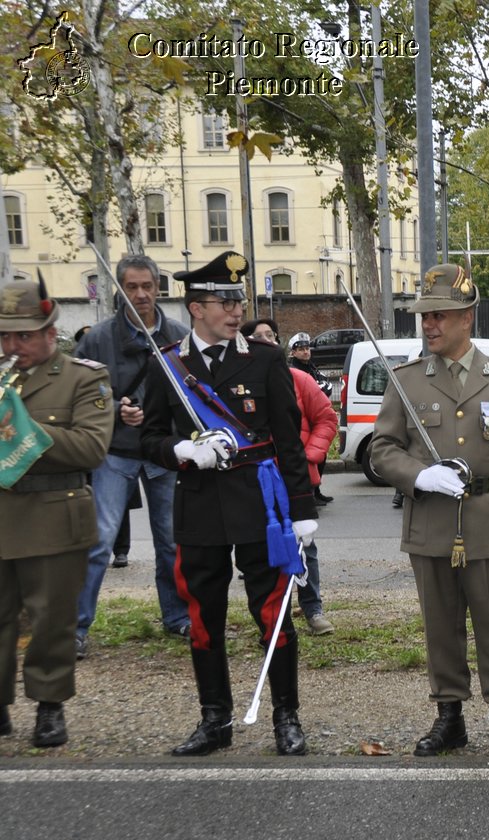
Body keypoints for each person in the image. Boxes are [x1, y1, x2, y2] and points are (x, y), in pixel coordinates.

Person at [139, 250, 319, 756]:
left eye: (239, 300)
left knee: (273, 612)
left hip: (259, 505)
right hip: (198, 508)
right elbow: (147, 438)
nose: (236, 311)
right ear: (196, 308)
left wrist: (302, 512)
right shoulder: (168, 365)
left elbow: (288, 439)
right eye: (225, 301)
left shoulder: (264, 360)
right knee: (203, 616)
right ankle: (214, 719)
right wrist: (182, 450)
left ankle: (286, 715)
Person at [370, 263, 489, 756]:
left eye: (440, 316)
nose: (428, 325)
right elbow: (382, 449)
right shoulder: (406, 380)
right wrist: (418, 475)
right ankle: (450, 716)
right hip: (431, 521)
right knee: (440, 626)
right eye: (424, 316)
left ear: (468, 317)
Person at [0, 275, 115, 747]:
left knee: (51, 620)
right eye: (5, 335)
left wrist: (23, 432)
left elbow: (92, 448)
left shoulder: (83, 378)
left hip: (53, 514)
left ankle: (50, 705)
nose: (13, 344)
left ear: (50, 332)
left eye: (23, 335)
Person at [73, 252, 191, 658]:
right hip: (116, 452)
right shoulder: (97, 339)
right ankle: (75, 629)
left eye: (147, 286)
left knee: (172, 543)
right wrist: (114, 409)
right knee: (99, 542)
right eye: (132, 287)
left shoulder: (178, 334)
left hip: (162, 454)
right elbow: (80, 395)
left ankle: (177, 617)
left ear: (159, 288)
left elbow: (189, 398)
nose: (140, 295)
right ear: (120, 289)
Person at [289, 358, 338, 635]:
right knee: (264, 548)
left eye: (270, 336)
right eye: (257, 337)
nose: (264, 341)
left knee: (305, 545)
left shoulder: (299, 380)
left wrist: (309, 457)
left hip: (296, 478)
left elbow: (326, 418)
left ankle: (313, 609)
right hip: (255, 479)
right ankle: (276, 614)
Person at [287, 331, 337, 506]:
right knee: (308, 459)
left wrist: (319, 389)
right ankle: (308, 493)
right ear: (293, 352)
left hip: (316, 419)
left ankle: (316, 491)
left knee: (319, 457)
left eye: (307, 348)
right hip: (304, 421)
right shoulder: (294, 370)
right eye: (300, 349)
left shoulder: (311, 368)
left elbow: (328, 386)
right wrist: (319, 389)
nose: (305, 352)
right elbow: (318, 389)